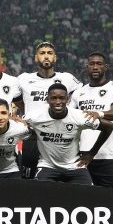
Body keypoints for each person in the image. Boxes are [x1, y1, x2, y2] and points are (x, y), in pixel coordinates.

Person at [24, 83, 113, 185]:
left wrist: (92, 153)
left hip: (75, 166)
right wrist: (15, 120)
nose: (58, 102)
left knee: (88, 196)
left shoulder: (79, 117)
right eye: (53, 98)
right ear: (47, 99)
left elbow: (108, 126)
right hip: (47, 166)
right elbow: (17, 125)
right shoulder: (35, 116)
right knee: (42, 196)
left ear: (67, 99)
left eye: (62, 98)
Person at [17, 42, 83, 179]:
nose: (46, 56)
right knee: (28, 180)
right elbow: (10, 96)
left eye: (49, 53)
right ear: (36, 58)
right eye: (42, 53)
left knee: (58, 178)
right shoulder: (24, 79)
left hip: (58, 136)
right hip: (32, 137)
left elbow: (83, 94)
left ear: (55, 58)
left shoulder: (67, 78)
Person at [70, 52, 113, 189]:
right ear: (86, 66)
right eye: (92, 64)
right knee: (83, 201)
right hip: (82, 157)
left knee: (110, 201)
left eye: (99, 64)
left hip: (107, 157)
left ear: (105, 67)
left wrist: (99, 113)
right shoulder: (78, 93)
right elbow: (69, 117)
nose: (95, 67)